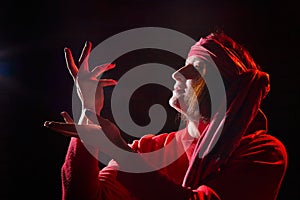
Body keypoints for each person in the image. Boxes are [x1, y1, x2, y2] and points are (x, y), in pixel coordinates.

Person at [44, 31, 288, 200]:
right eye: (184, 63)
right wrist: (89, 112)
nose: (177, 73)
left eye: (197, 68)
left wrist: (119, 149)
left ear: (224, 90)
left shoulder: (263, 152)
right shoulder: (152, 148)